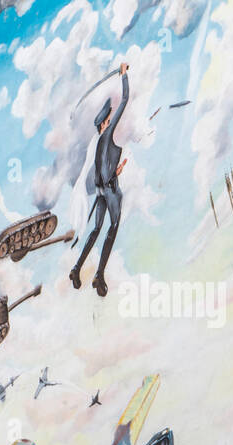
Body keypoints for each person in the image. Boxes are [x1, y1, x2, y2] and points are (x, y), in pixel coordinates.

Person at [70, 62, 130, 298]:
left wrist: (116, 171)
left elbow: (102, 171)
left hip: (101, 191)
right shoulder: (106, 135)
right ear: (105, 123)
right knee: (112, 227)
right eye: (108, 121)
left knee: (96, 229)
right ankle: (99, 275)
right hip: (111, 192)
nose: (110, 123)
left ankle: (76, 269)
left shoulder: (97, 145)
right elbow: (125, 101)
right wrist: (124, 76)